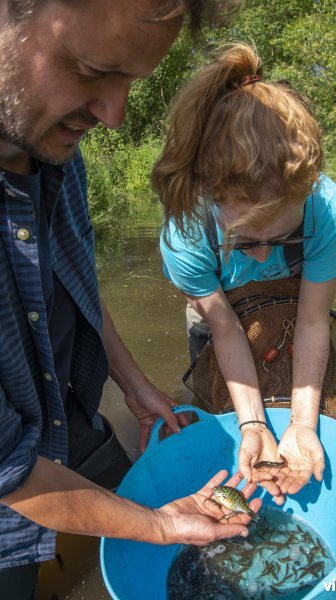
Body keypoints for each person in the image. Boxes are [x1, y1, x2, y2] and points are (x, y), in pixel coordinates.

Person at [0, 2, 260, 599]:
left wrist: (135, 385)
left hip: (71, 420)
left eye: (130, 81)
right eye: (91, 69)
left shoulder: (52, 145)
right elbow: (10, 468)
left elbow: (73, 282)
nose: (113, 115)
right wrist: (161, 524)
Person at [153, 43, 336, 506]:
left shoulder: (327, 215)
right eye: (246, 243)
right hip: (219, 316)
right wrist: (253, 424)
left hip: (295, 307)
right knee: (221, 402)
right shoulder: (187, 234)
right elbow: (224, 331)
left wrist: (303, 425)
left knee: (303, 395)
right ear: (212, 196)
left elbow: (310, 320)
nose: (264, 257)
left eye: (284, 240)